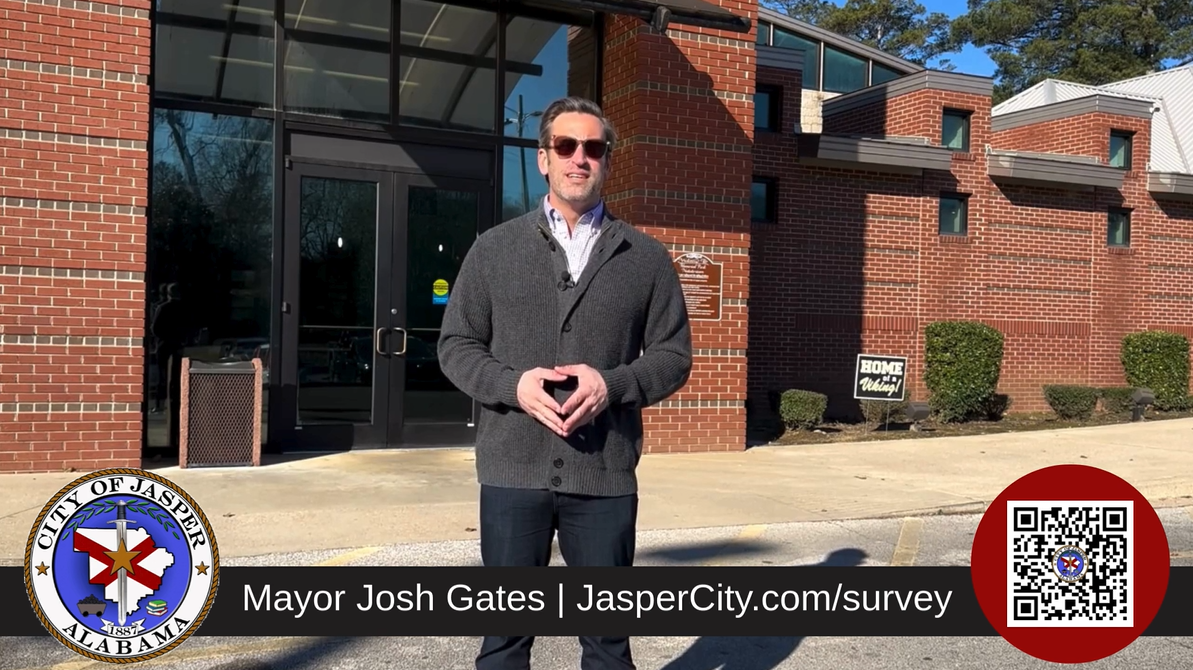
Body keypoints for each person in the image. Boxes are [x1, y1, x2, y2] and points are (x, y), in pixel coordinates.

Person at [437, 96, 694, 670]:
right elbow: (456, 345)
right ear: (543, 158)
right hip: (512, 472)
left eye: (593, 147)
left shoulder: (646, 258)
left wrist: (613, 385)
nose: (580, 158)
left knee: (607, 645)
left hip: (603, 475)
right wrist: (512, 385)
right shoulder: (493, 249)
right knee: (504, 642)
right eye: (566, 145)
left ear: (608, 160)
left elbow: (673, 356)